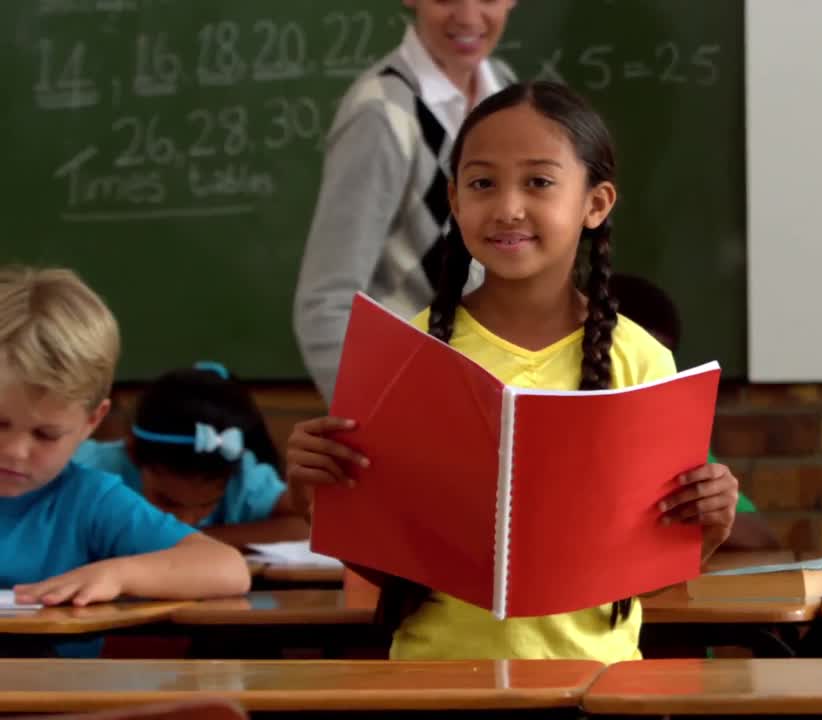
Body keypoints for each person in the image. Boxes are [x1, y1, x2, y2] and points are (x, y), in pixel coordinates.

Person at [286, 82, 739, 663]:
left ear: (595, 204)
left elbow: (644, 580)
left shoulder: (642, 359)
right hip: (435, 682)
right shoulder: (408, 351)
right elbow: (395, 567)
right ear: (453, 200)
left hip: (596, 686)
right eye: (481, 183)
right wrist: (319, 501)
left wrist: (709, 525)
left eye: (539, 182)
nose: (507, 208)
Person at [0, 266, 249, 656]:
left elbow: (226, 568)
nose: (15, 450)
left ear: (91, 422)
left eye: (45, 435)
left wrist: (118, 574)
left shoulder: (89, 500)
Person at [294, 0, 518, 403]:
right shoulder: (381, 114)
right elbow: (325, 303)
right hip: (418, 397)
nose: (468, 17)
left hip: (497, 393)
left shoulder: (504, 91)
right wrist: (378, 421)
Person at [611, 272, 780, 551]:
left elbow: (762, 538)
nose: (647, 381)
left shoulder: (669, 436)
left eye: (659, 368)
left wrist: (710, 514)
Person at [73, 363, 309, 546]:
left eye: (208, 504)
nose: (186, 520)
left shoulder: (240, 478)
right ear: (132, 453)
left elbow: (303, 528)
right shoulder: (85, 472)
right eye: (168, 501)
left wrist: (190, 542)